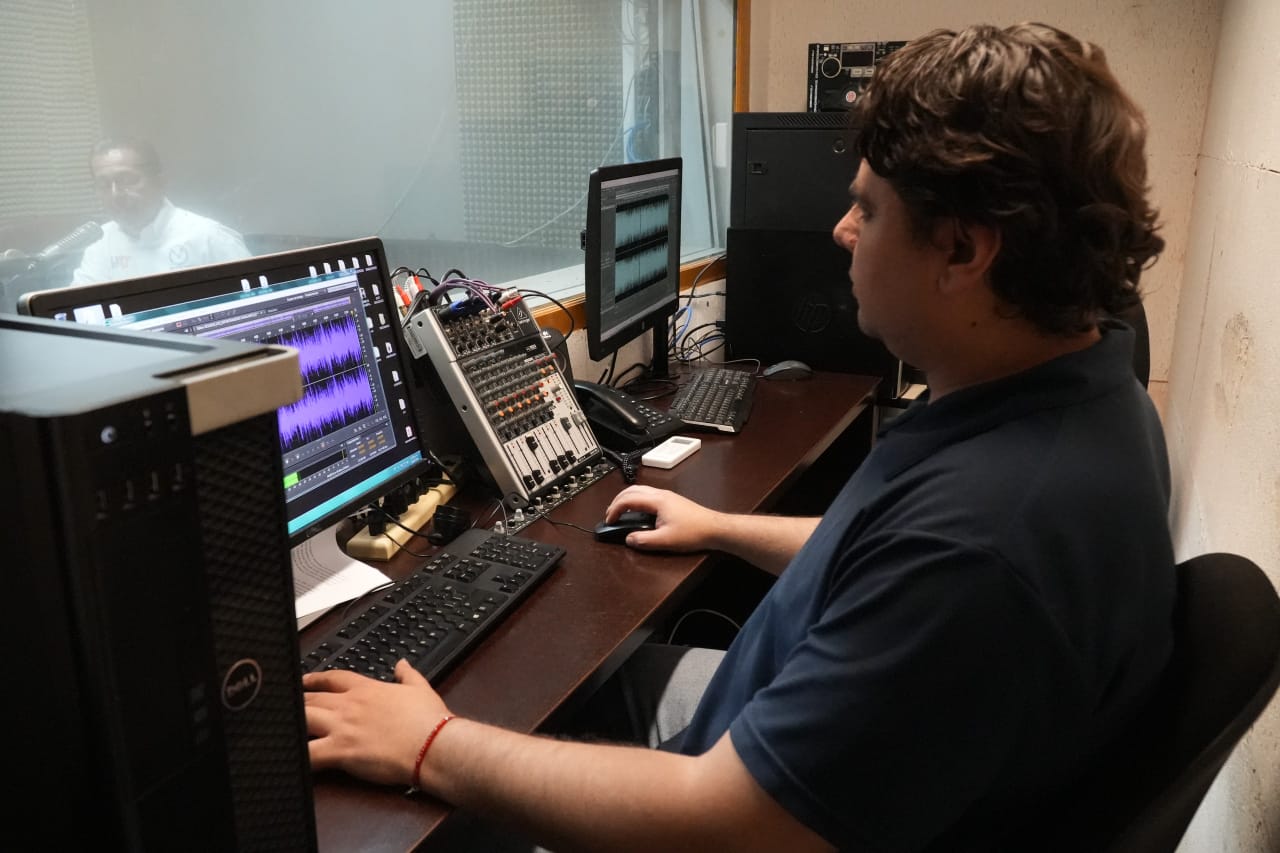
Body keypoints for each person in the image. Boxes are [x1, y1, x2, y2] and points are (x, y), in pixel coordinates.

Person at [303, 22, 1174, 851]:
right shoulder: (1085, 396)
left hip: (732, 806)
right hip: (808, 735)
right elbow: (882, 550)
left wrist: (430, 746)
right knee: (552, 698)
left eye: (867, 210)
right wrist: (722, 528)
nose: (841, 231)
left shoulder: (977, 545)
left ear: (962, 250)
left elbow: (727, 826)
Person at [69, 137, 249, 286]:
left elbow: (255, 298)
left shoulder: (209, 237)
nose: (115, 194)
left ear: (160, 182)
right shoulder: (99, 243)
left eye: (127, 180)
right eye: (103, 184)